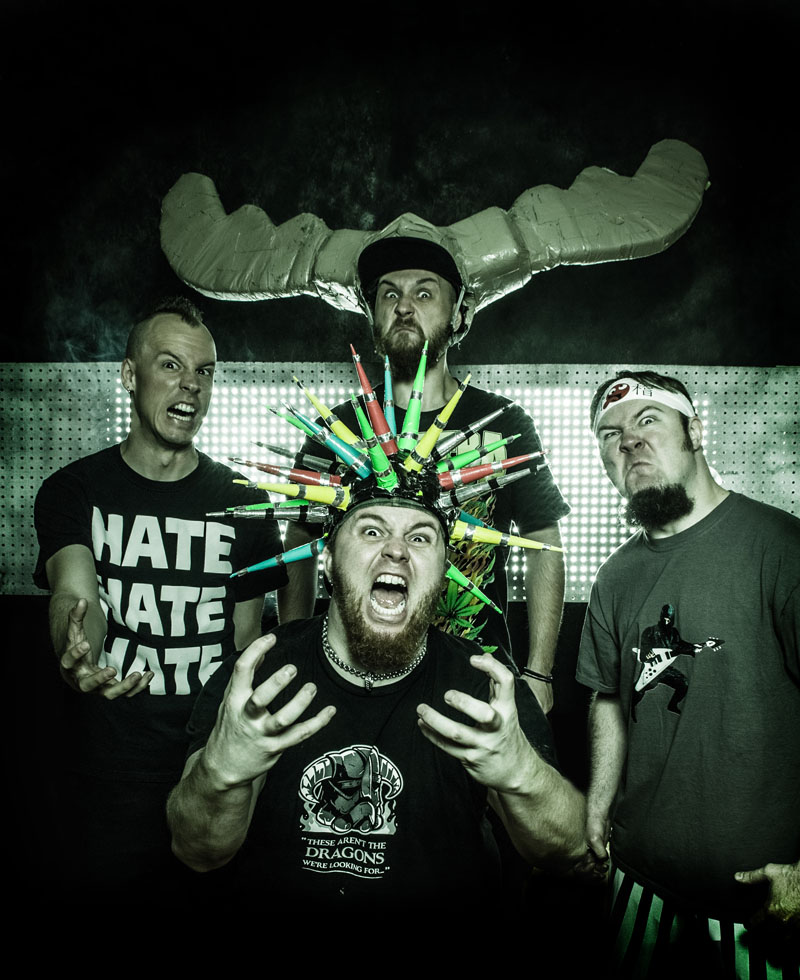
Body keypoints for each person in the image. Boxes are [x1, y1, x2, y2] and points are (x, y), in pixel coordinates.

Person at [167, 465, 586, 923]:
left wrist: (522, 773)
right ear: (328, 559)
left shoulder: (483, 684)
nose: (397, 550)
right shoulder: (259, 677)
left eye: (420, 537)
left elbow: (566, 850)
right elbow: (197, 852)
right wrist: (222, 773)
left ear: (443, 572)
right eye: (372, 530)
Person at [33, 296, 287, 904]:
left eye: (204, 371)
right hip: (108, 771)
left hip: (210, 766)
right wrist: (76, 651)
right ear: (130, 375)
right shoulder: (74, 489)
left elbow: (245, 641)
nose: (190, 385)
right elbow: (75, 594)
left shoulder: (245, 499)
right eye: (170, 365)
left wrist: (247, 759)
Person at [278, 235, 570, 714]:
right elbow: (300, 541)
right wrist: (294, 656)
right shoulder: (335, 430)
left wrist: (539, 672)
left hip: (474, 676)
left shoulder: (504, 424)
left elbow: (544, 541)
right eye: (389, 294)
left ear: (458, 315)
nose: (404, 306)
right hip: (356, 678)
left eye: (425, 292)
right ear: (373, 316)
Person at [575, 370, 800, 977]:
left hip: (761, 902)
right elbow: (609, 697)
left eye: (648, 421)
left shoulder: (782, 549)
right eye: (610, 434)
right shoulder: (614, 577)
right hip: (637, 883)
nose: (629, 441)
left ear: (695, 432)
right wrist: (597, 806)